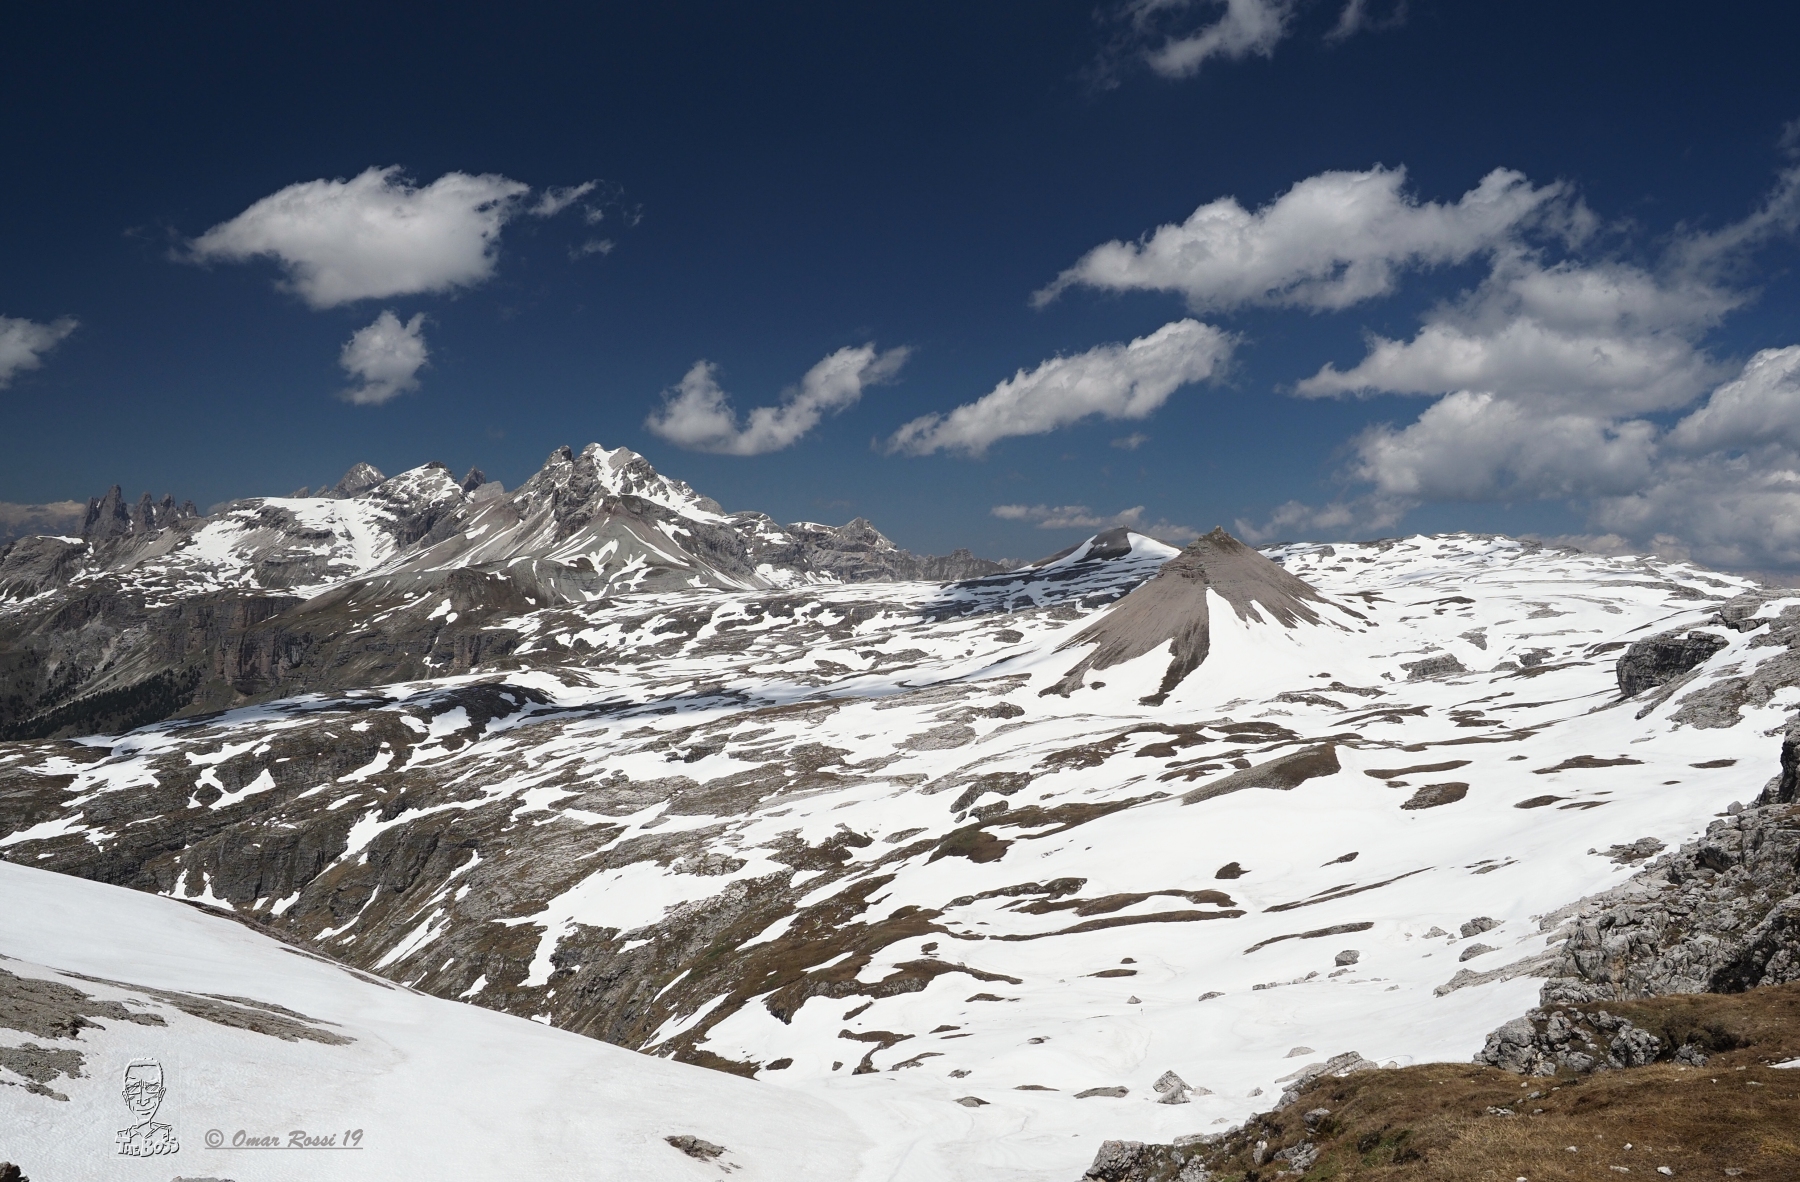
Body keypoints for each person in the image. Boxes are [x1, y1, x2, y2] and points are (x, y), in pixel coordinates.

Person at [115, 1060, 178, 1157]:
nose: (143, 1100)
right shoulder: (123, 1136)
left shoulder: (166, 1133)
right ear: (125, 1097)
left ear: (160, 1094)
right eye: (133, 1089)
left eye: (152, 1088)